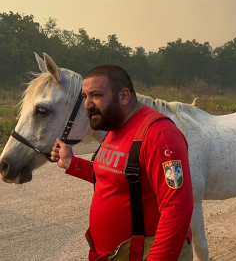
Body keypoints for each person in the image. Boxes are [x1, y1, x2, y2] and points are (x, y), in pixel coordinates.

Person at [50, 65, 194, 260]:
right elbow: (113, 175)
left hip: (145, 253)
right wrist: (71, 162)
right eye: (85, 97)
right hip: (113, 253)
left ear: (124, 96)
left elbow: (177, 207)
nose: (88, 105)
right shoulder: (114, 127)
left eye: (96, 95)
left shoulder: (160, 136)